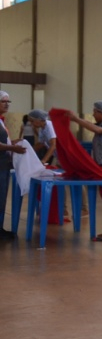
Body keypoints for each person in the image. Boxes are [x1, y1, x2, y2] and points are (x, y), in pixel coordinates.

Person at [68, 101, 102, 241]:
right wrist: (76, 120)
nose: (93, 114)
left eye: (95, 112)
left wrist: (75, 119)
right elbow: (92, 125)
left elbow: (97, 130)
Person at [0, 91, 28, 239]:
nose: (6, 104)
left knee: (2, 197)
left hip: (4, 165)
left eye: (8, 101)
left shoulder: (1, 121)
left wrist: (13, 142)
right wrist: (12, 148)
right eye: (3, 101)